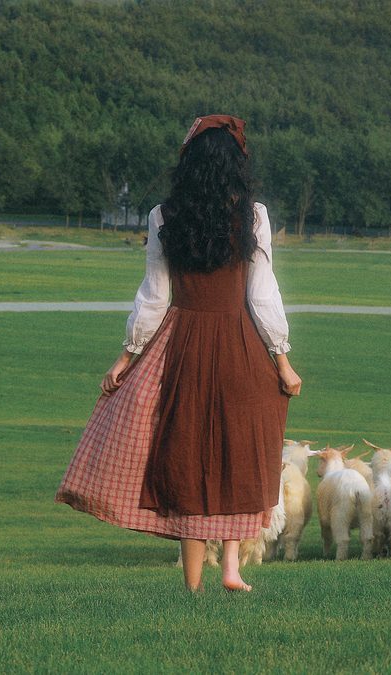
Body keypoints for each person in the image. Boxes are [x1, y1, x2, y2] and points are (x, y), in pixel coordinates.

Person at [55, 115, 302, 592]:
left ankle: (193, 586)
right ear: (238, 165)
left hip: (182, 346)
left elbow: (154, 296)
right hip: (241, 344)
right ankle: (231, 567)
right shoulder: (254, 216)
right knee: (240, 450)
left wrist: (127, 356)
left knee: (187, 455)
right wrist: (282, 360)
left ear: (189, 162)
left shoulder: (163, 216)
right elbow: (262, 295)